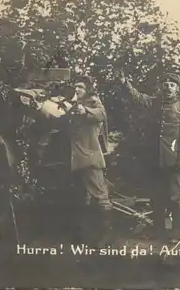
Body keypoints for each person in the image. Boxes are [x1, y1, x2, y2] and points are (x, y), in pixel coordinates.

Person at [118, 70, 180, 242]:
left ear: (177, 88)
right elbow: (137, 97)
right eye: (165, 85)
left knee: (176, 197)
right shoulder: (154, 103)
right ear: (161, 86)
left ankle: (177, 232)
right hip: (154, 157)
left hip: (174, 157)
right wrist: (125, 83)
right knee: (156, 196)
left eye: (172, 85)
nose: (168, 88)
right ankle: (159, 231)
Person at [60, 75, 113, 247]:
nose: (77, 89)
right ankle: (84, 237)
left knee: (100, 197)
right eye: (75, 86)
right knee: (81, 198)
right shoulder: (73, 106)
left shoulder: (93, 103)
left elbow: (101, 114)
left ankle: (106, 237)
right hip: (76, 160)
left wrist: (85, 110)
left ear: (88, 90)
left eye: (80, 87)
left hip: (90, 158)